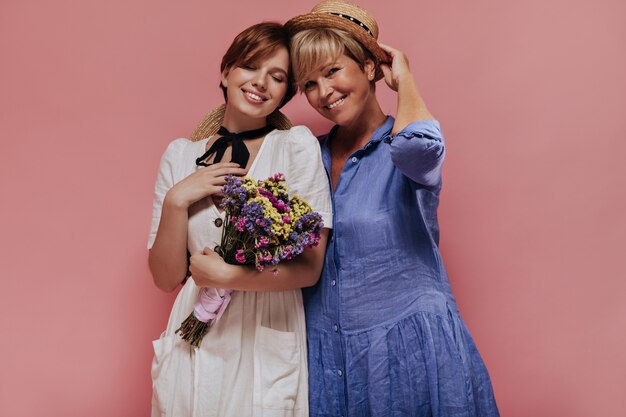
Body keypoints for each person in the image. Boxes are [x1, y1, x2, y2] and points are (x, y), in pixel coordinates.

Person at [285, 1, 500, 416]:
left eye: (332, 71)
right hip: (327, 359)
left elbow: (422, 147)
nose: (323, 93)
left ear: (369, 67)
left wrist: (405, 80)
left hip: (410, 357)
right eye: (309, 84)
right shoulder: (307, 155)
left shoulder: (401, 149)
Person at [147, 22, 332, 417]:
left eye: (278, 77)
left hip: (264, 336)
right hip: (191, 336)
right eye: (251, 66)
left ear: (287, 92)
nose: (261, 82)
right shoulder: (179, 156)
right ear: (226, 71)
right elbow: (166, 279)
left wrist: (227, 276)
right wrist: (178, 200)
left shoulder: (296, 147)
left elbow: (310, 268)